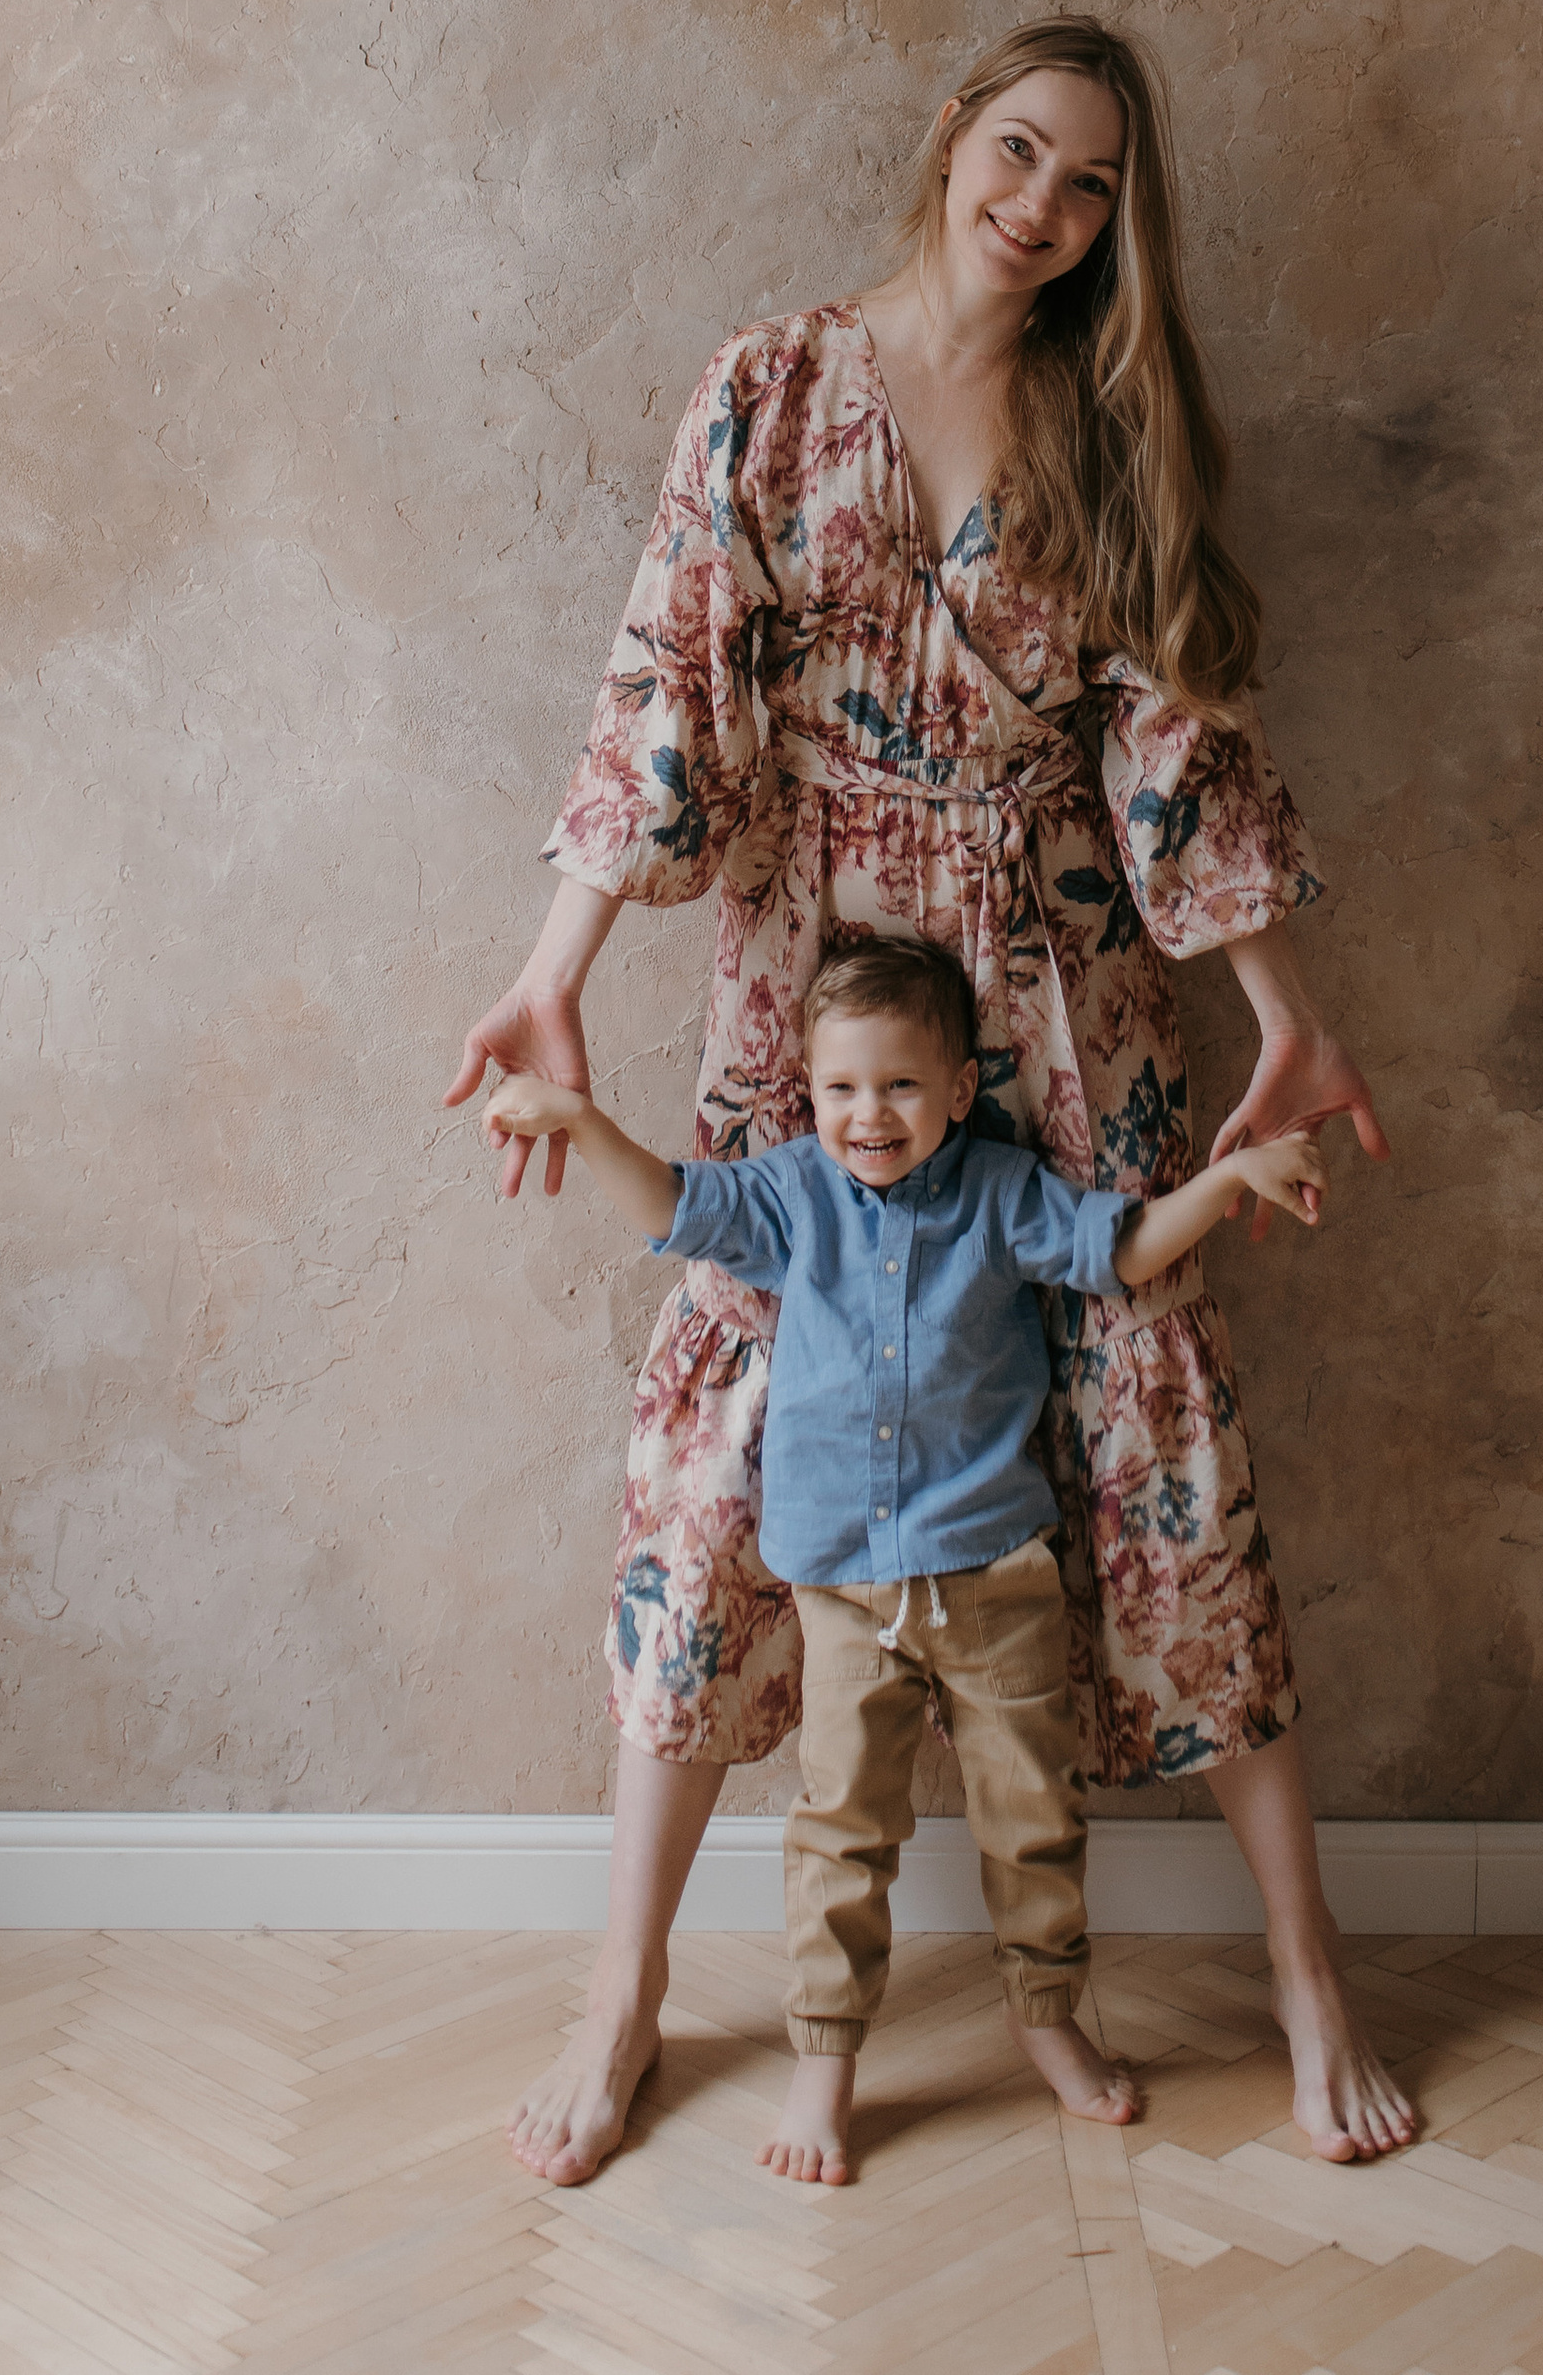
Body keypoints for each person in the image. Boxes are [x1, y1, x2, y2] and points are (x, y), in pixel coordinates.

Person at [444, 12, 1415, 2181]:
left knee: (1153, 1420)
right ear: (948, 141)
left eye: (1086, 187)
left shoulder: (1112, 422)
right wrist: (551, 976)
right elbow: (664, 681)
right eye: (1015, 152)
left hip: (1063, 986)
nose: (1039, 207)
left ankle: (1303, 1972)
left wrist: (1286, 1002)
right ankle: (619, 1990)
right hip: (820, 983)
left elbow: (1173, 735)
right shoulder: (771, 385)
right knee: (728, 1443)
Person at [483, 929, 1331, 2184]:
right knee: (842, 1832)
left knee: (1033, 1820)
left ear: (954, 1086)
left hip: (997, 1576)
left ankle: (1047, 2020)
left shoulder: (1003, 1190)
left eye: (896, 1086)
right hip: (842, 1591)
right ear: (807, 1091)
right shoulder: (787, 1195)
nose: (866, 1115)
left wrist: (1225, 1184)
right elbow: (673, 1204)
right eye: (838, 1088)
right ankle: (824, 2060)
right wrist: (575, 1115)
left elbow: (1121, 1251)